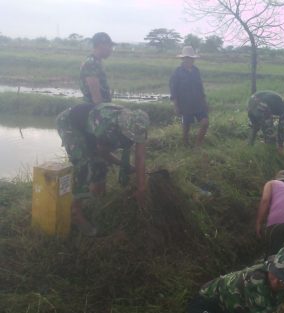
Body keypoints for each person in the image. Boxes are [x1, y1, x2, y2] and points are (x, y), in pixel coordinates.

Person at [56, 103, 149, 236]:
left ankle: (97, 200)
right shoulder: (106, 125)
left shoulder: (140, 124)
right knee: (85, 165)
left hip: (89, 127)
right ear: (122, 128)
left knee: (99, 167)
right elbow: (101, 152)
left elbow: (140, 157)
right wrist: (123, 165)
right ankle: (75, 212)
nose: (133, 138)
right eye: (130, 136)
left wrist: (142, 187)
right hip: (71, 124)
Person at [169, 46, 210, 147]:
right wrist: (176, 105)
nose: (189, 60)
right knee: (186, 126)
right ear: (183, 59)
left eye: (191, 58)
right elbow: (173, 90)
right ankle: (185, 145)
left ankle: (198, 145)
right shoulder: (177, 72)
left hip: (198, 103)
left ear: (193, 59)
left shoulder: (196, 71)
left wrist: (204, 101)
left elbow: (200, 87)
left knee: (205, 122)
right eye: (187, 58)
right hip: (185, 103)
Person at [80, 32, 115, 104]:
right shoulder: (91, 64)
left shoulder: (96, 63)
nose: (111, 50)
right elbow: (96, 97)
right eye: (110, 46)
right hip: (95, 109)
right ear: (101, 45)